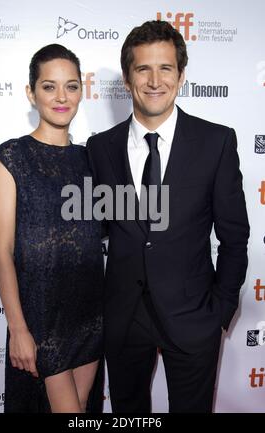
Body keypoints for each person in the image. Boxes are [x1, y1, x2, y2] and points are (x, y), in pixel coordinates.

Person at [86, 20, 249, 413]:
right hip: (123, 316)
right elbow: (96, 226)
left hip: (194, 316)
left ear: (181, 76)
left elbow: (234, 237)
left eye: (166, 68)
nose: (154, 80)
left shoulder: (216, 141)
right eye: (143, 69)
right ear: (127, 78)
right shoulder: (99, 148)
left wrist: (220, 312)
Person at [0, 44, 104, 413]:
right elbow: (3, 251)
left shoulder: (91, 160)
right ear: (31, 92)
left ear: (81, 92)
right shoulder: (11, 159)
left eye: (71, 86)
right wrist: (18, 329)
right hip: (41, 319)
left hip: (90, 314)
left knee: (82, 410)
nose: (61, 97)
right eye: (49, 86)